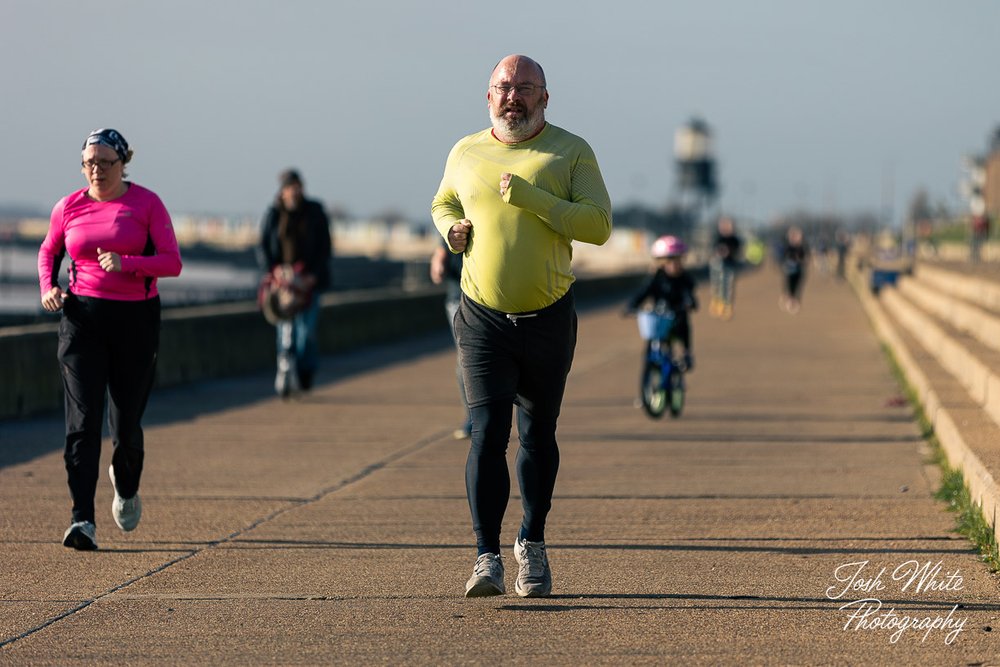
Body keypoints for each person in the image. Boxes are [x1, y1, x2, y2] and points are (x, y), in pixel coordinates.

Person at [431, 54, 612, 598]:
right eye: (503, 87)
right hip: (482, 317)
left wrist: (533, 199)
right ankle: (486, 557)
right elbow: (443, 201)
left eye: (525, 88)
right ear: (488, 97)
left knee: (537, 435)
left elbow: (599, 225)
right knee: (487, 434)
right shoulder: (465, 151)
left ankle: (531, 542)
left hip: (548, 317)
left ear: (545, 98)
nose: (513, 96)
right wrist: (450, 231)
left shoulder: (571, 151)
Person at [37, 128, 183, 551]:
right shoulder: (68, 206)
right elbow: (50, 251)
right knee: (82, 423)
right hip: (82, 320)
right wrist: (48, 286)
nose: (96, 171)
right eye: (89, 163)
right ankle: (82, 519)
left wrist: (128, 263)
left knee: (125, 426)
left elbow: (172, 262)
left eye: (105, 162)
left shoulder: (147, 204)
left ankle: (126, 481)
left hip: (135, 321)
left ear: (124, 163)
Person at [258, 169, 332, 397]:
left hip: (309, 282)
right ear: (283, 191)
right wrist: (273, 270)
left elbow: (325, 248)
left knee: (305, 333)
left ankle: (304, 373)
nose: (295, 191)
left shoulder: (315, 211)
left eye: (298, 186)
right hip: (282, 283)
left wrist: (314, 275)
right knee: (285, 332)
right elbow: (263, 247)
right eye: (291, 187)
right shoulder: (273, 214)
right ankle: (286, 376)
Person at [625, 235, 698, 373]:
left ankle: (686, 353)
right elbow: (643, 292)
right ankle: (649, 368)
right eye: (670, 260)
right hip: (660, 317)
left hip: (677, 316)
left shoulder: (685, 279)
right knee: (652, 337)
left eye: (678, 260)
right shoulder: (656, 278)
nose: (674, 264)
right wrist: (632, 305)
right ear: (661, 262)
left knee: (684, 325)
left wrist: (690, 302)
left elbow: (689, 294)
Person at [430, 238, 472, 439]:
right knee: (465, 360)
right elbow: (442, 247)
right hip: (458, 298)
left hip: (493, 299)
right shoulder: (454, 210)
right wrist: (438, 263)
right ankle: (472, 418)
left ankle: (483, 416)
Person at [708, 216, 742, 320]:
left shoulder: (735, 240)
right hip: (717, 265)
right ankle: (717, 303)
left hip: (730, 265)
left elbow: (737, 251)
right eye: (724, 225)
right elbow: (713, 250)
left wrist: (729, 252)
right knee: (717, 285)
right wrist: (718, 253)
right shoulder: (718, 238)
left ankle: (728, 307)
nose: (726, 228)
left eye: (728, 225)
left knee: (728, 286)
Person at [779, 225, 809, 313]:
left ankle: (795, 302)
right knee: (789, 285)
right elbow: (783, 257)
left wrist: (801, 260)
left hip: (799, 270)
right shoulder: (787, 246)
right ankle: (790, 301)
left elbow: (806, 258)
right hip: (789, 270)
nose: (795, 238)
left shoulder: (803, 246)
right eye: (793, 236)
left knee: (798, 286)